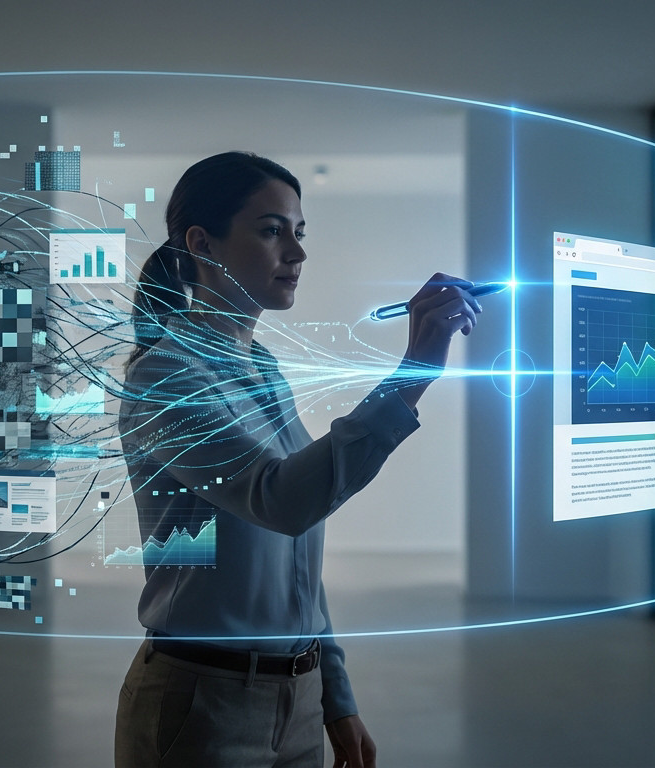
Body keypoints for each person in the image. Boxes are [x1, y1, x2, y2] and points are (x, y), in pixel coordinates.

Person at [115, 151, 481, 768]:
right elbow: (281, 500)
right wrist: (413, 371)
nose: (298, 252)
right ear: (202, 243)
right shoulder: (164, 376)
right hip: (201, 706)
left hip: (300, 697)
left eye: (299, 231)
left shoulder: (264, 369)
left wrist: (333, 694)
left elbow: (298, 559)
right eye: (271, 230)